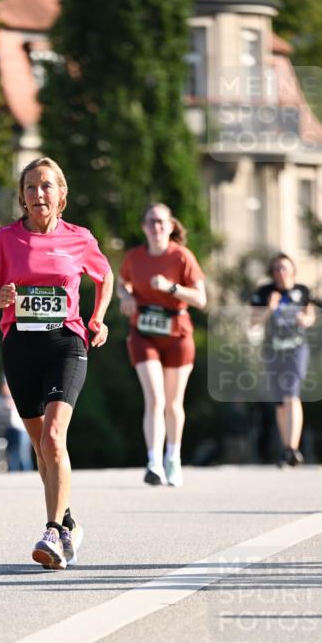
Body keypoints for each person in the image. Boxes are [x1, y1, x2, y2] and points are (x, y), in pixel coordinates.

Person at [0, 156, 113, 569]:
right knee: (40, 447)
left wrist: (98, 318)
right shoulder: (3, 240)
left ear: (61, 195)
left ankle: (52, 531)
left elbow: (105, 277)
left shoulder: (80, 238)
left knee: (53, 438)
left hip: (66, 343)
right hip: (20, 347)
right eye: (31, 187)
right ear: (22, 196)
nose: (38, 194)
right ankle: (68, 522)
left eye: (47, 186)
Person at [117, 202, 206, 486]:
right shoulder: (134, 257)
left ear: (170, 226)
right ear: (144, 227)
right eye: (151, 221)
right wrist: (126, 295)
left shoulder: (182, 256)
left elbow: (201, 300)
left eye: (161, 222)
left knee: (173, 402)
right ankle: (153, 461)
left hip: (178, 333)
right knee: (154, 398)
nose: (156, 227)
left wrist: (171, 287)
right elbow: (122, 283)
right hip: (144, 333)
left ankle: (173, 457)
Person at [249, 253, 315, 467]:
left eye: (285, 268)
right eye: (277, 268)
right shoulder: (264, 293)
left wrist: (305, 320)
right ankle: (286, 447)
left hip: (296, 348)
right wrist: (269, 308)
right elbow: (253, 323)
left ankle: (292, 448)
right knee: (279, 401)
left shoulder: (302, 291)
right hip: (272, 350)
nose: (281, 272)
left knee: (291, 394)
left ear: (293, 271)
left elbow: (310, 316)